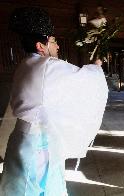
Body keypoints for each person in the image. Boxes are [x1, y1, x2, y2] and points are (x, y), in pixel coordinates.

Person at [0, 7, 108, 195]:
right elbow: (85, 81)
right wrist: (97, 66)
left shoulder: (24, 65)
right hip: (35, 146)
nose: (57, 46)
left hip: (23, 139)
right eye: (53, 41)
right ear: (40, 46)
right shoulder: (46, 66)